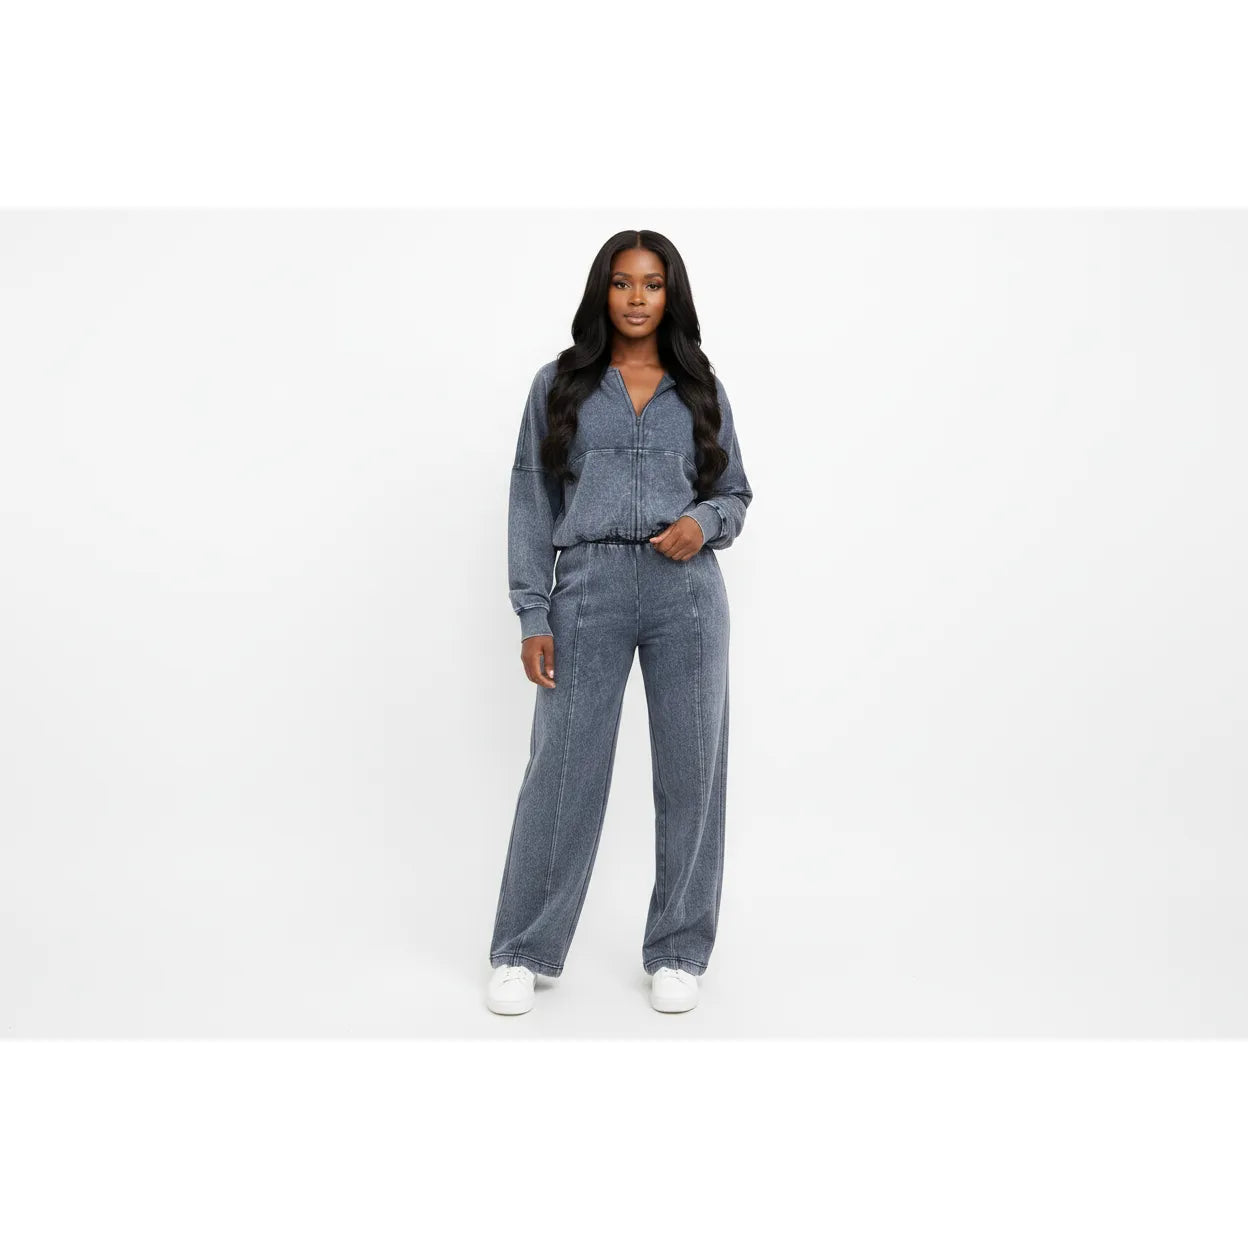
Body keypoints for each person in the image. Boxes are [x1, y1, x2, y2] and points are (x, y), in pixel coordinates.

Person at [486, 229, 754, 1016]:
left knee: (692, 774)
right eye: (623, 282)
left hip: (686, 592)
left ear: (672, 296)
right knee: (562, 771)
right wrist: (532, 610)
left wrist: (703, 522)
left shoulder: (699, 387)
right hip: (589, 587)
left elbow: (735, 492)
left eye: (653, 284)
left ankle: (678, 951)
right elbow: (531, 497)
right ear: (602, 291)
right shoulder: (559, 385)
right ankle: (522, 949)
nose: (638, 298)